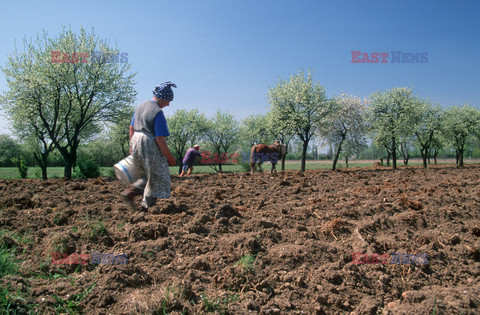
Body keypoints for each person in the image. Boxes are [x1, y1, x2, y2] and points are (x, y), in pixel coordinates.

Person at [121, 82, 177, 211]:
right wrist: (170, 158)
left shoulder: (140, 107)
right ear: (162, 97)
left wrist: (132, 145)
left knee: (145, 174)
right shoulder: (157, 112)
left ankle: (136, 196)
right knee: (157, 175)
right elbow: (160, 138)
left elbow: (131, 128)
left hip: (135, 139)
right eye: (168, 101)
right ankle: (140, 200)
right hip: (148, 141)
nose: (168, 104)